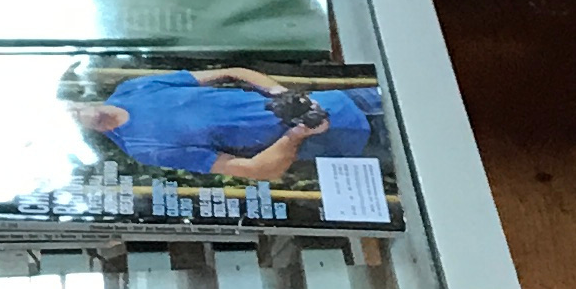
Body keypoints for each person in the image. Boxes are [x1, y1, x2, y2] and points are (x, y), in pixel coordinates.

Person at [69, 63, 385, 191]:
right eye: (69, 118)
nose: (74, 113)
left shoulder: (134, 89)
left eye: (69, 106)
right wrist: (297, 133)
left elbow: (235, 72)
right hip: (354, 143)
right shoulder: (143, 148)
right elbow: (257, 169)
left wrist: (281, 94)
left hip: (350, 100)